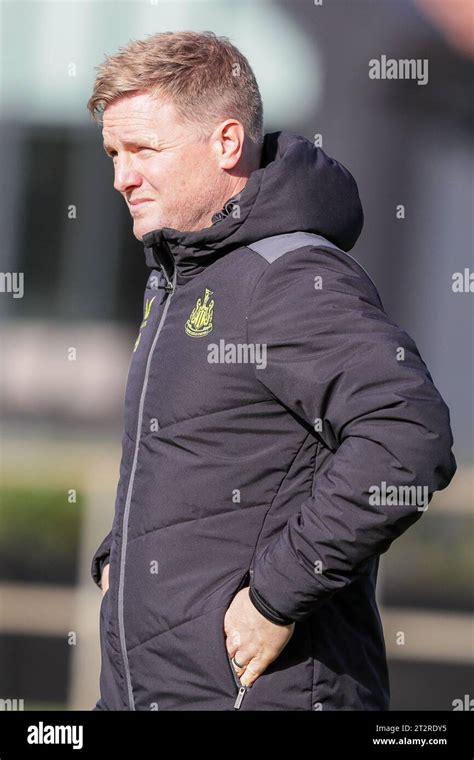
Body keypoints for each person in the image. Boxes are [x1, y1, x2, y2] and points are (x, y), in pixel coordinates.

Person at [87, 30, 456, 711]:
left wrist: (273, 599)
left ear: (227, 143)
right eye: (113, 153)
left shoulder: (288, 278)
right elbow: (201, 452)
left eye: (142, 150)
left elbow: (408, 437)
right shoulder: (177, 284)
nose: (121, 176)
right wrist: (123, 556)